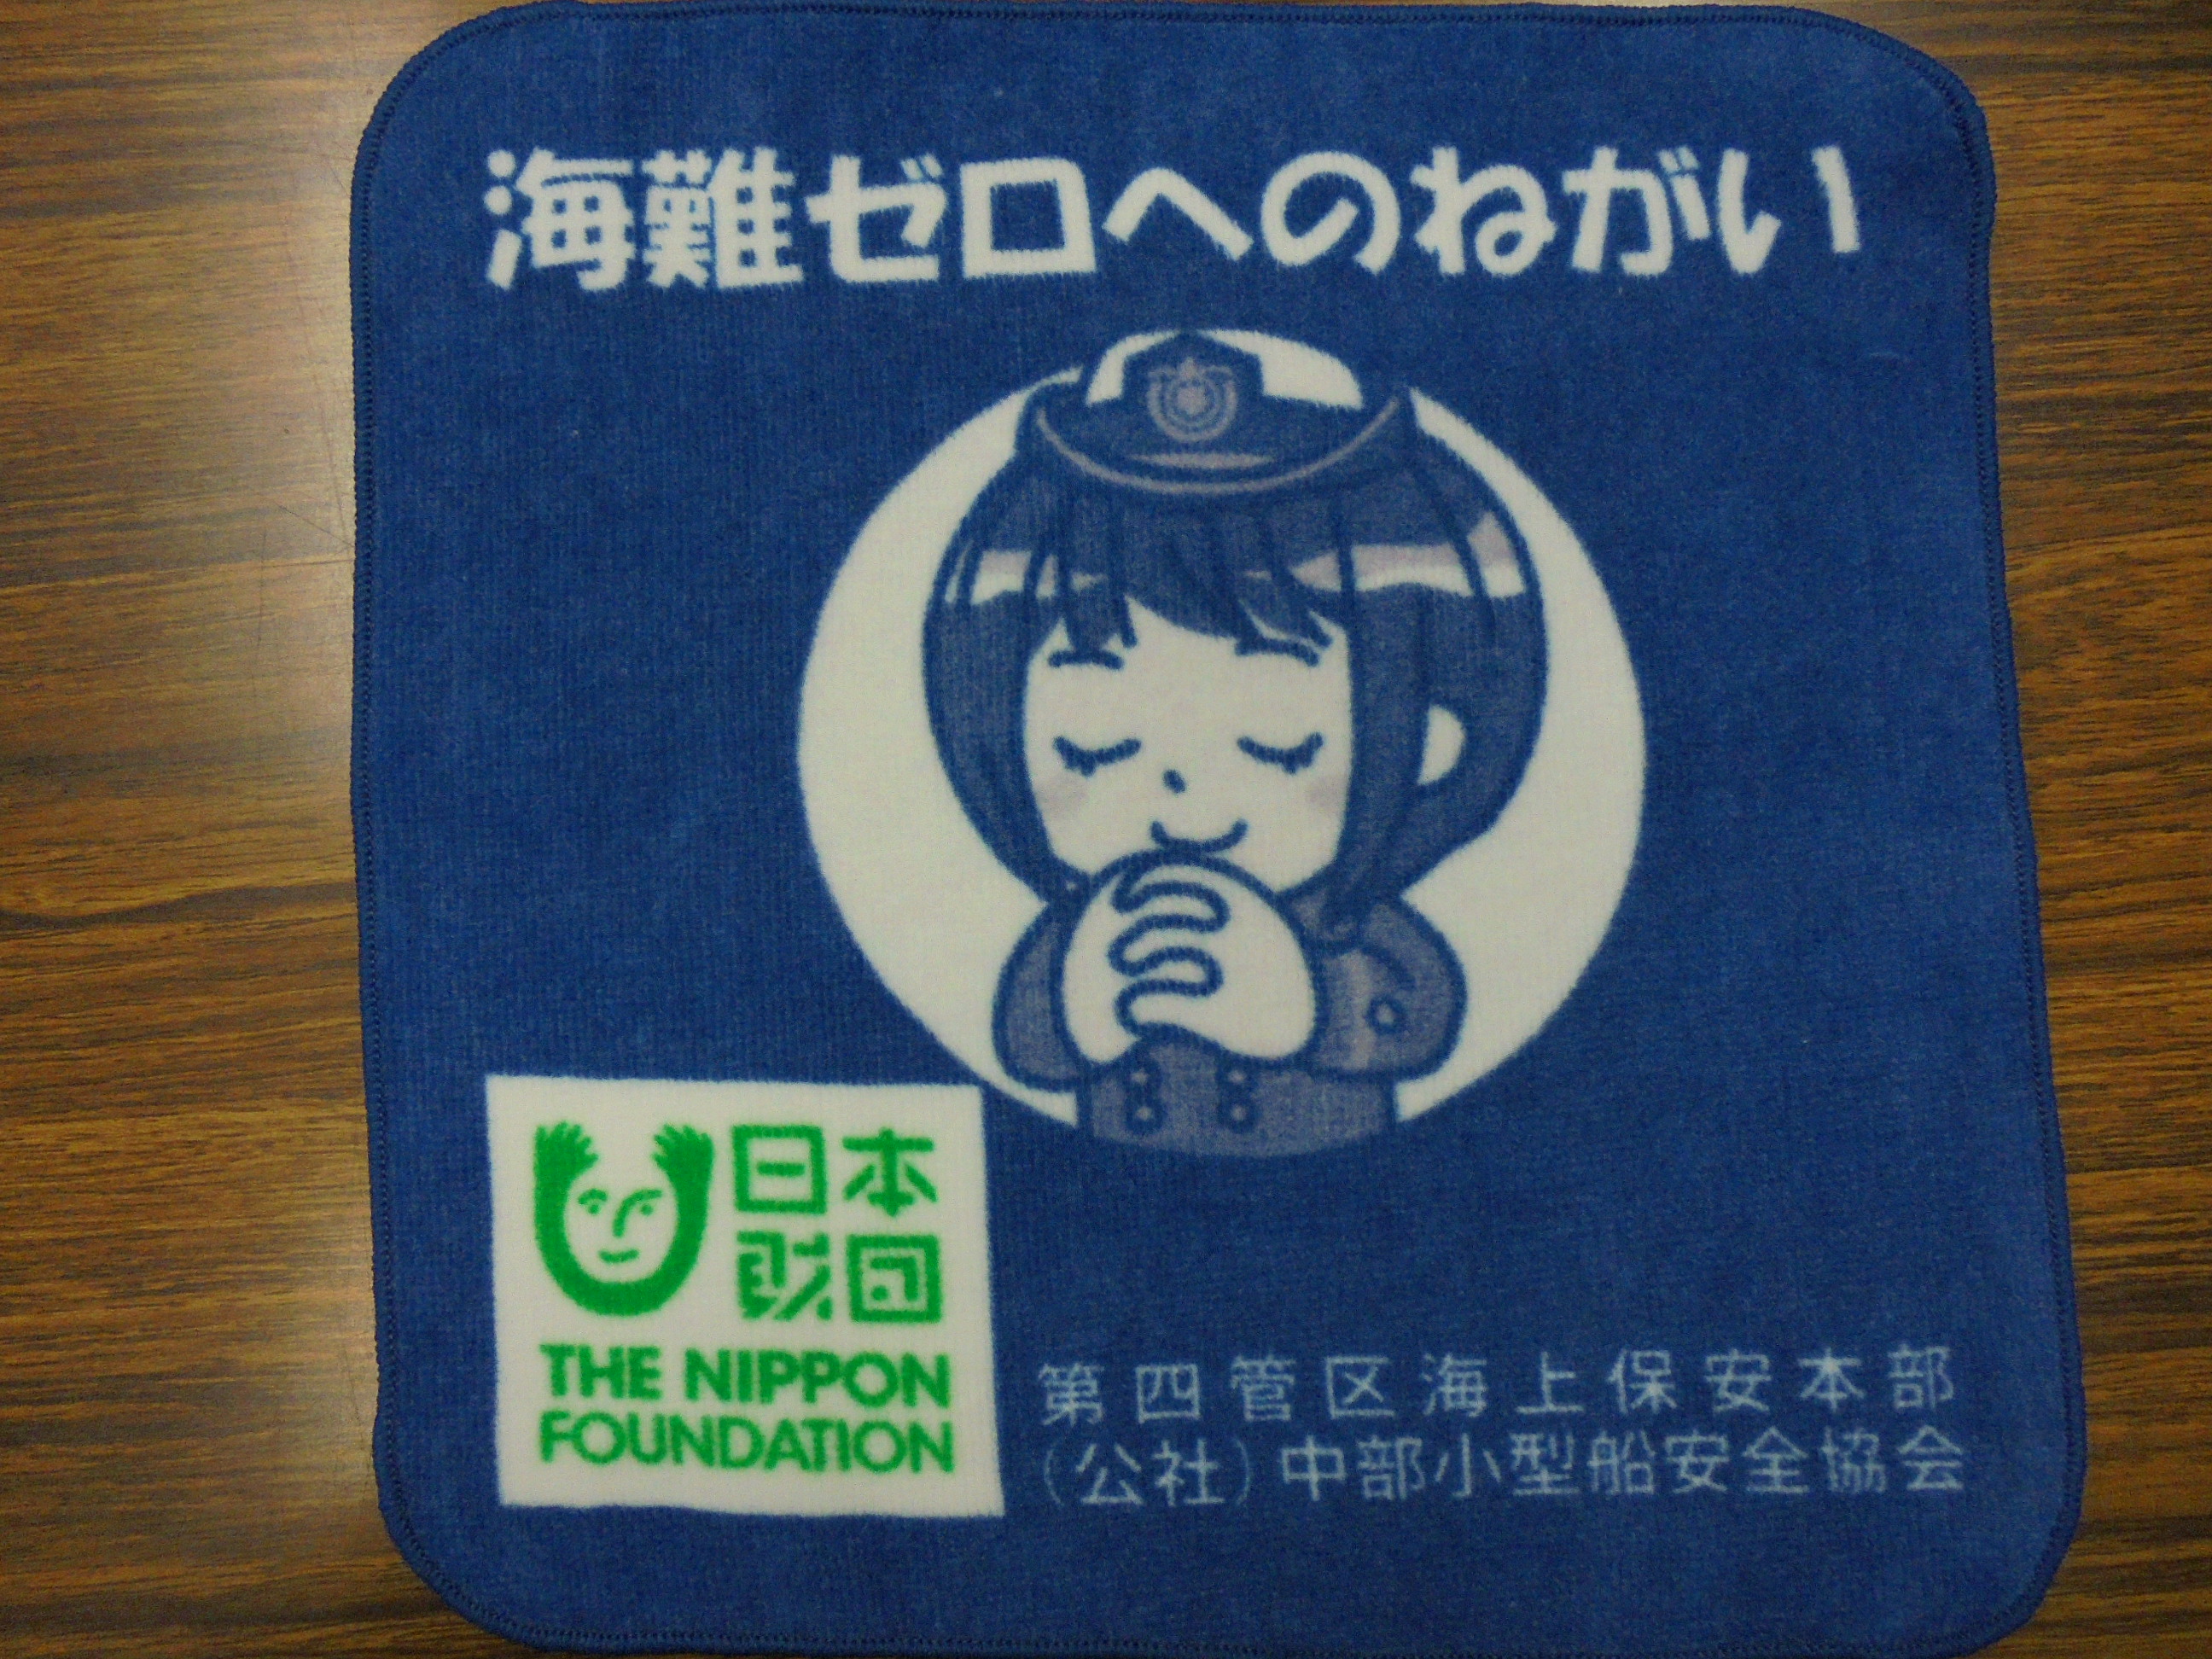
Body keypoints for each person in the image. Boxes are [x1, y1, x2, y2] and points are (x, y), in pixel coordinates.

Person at [925, 331, 1544, 1155]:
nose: (1183, 801)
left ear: (1429, 734)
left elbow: (1417, 1013)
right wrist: (1080, 1008)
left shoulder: (1349, 926)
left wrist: (1311, 1003)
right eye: (1094, 750)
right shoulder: (1089, 928)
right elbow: (1030, 1039)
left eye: (1278, 747)